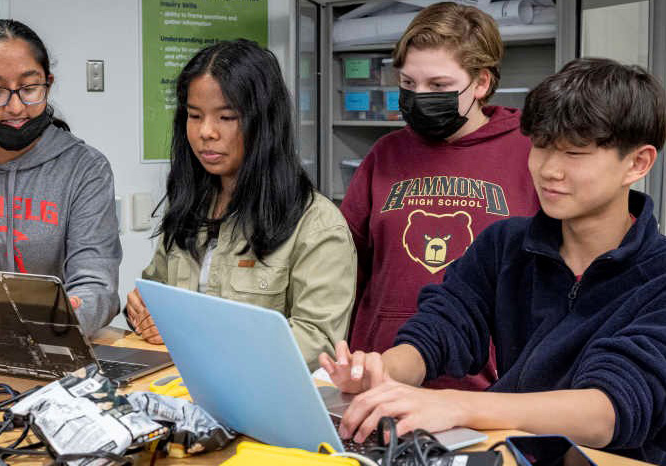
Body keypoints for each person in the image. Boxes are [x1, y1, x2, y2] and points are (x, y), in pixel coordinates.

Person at [320, 57, 666, 464]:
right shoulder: (505, 245)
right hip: (510, 452)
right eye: (540, 147)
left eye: (574, 153)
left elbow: (608, 410)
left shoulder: (657, 276)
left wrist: (460, 406)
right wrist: (383, 370)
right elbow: (443, 326)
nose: (549, 170)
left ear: (638, 163)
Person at [341, 2, 539, 391]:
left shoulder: (530, 152)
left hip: (484, 388)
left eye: (438, 86)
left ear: (481, 83)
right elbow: (348, 263)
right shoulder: (386, 153)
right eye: (408, 84)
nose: (419, 96)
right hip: (383, 377)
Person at [125, 39, 356, 371]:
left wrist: (190, 334)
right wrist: (142, 313)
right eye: (194, 115)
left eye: (227, 117)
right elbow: (154, 292)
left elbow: (316, 343)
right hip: (177, 390)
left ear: (264, 123)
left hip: (260, 405)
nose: (206, 132)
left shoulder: (316, 223)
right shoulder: (191, 205)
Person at [0, 20, 122, 336]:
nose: (15, 106)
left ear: (47, 84)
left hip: (51, 345)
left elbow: (96, 284)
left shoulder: (84, 168)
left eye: (30, 88)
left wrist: (69, 319)